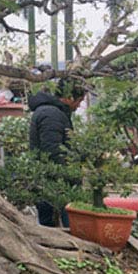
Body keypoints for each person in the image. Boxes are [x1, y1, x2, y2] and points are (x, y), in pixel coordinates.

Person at [29, 80, 85, 227]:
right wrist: (71, 177)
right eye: (79, 101)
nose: (79, 106)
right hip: (54, 183)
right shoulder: (51, 115)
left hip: (51, 181)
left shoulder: (53, 112)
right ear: (69, 97)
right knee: (63, 227)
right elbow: (53, 151)